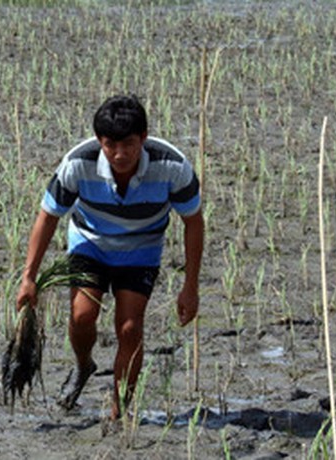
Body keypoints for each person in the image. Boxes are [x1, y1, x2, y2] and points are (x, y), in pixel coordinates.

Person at [15, 94, 204, 420]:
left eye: (129, 144)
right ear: (99, 141)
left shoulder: (172, 166)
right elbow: (47, 217)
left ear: (143, 138)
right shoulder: (77, 162)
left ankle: (120, 411)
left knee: (129, 328)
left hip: (141, 249)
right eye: (109, 145)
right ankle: (84, 365)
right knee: (82, 316)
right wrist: (29, 276)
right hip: (91, 242)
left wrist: (190, 286)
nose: (119, 154)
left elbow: (194, 222)